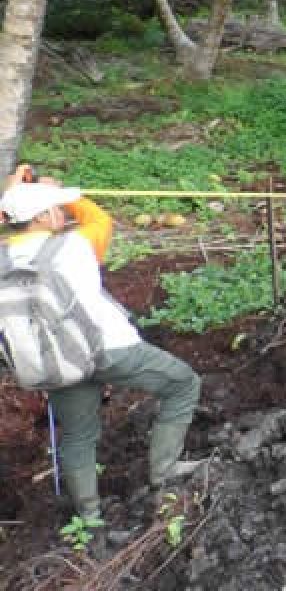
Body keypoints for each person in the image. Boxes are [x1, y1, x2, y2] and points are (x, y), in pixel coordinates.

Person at [0, 166, 203, 522]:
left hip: (53, 363)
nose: (63, 213)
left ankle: (90, 519)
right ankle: (165, 473)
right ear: (45, 215)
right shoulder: (74, 244)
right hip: (109, 349)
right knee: (183, 384)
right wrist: (62, 193)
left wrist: (12, 194)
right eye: (57, 208)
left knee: (78, 435)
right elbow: (99, 218)